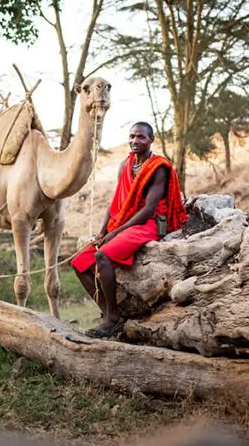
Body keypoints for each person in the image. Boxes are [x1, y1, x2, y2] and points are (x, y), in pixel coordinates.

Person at [72, 122, 187, 338]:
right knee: (78, 263)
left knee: (102, 255)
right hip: (126, 221)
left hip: (150, 223)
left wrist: (115, 233)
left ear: (151, 140)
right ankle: (110, 316)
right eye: (132, 136)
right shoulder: (125, 164)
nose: (135, 141)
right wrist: (103, 231)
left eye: (141, 137)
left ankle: (112, 318)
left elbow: (149, 209)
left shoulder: (158, 167)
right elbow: (117, 201)